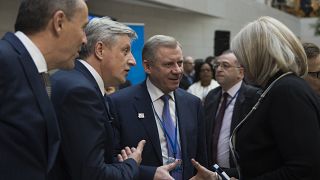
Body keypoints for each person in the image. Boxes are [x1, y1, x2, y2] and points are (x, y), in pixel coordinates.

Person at [50, 17, 147, 180]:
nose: (133, 61)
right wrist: (131, 164)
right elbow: (92, 174)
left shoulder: (70, 79)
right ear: (100, 50)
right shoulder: (81, 92)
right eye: (125, 51)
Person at [0, 0, 88, 179]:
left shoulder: (33, 71)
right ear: (59, 22)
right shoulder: (4, 61)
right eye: (83, 27)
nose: (85, 39)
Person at [229, 16, 320, 179]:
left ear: (257, 55)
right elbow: (267, 163)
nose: (240, 64)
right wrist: (219, 175)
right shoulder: (278, 87)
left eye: (242, 57)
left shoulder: (287, 90)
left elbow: (304, 169)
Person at [109, 35, 207, 180]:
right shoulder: (119, 103)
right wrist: (149, 174)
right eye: (169, 64)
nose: (178, 70)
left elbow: (201, 159)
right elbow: (110, 162)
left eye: (179, 63)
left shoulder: (193, 103)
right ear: (148, 66)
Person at [204, 50, 260, 178]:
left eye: (225, 65)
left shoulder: (254, 97)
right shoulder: (211, 96)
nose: (218, 69)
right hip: (212, 172)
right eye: (217, 65)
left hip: (241, 173)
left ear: (240, 72)